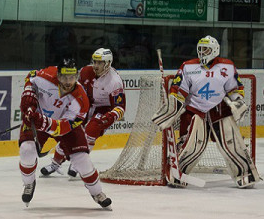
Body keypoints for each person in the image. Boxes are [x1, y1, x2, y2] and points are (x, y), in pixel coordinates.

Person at [152, 35, 261, 188]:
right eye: (200, 49)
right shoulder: (188, 66)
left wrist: (237, 101)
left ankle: (246, 174)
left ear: (215, 50)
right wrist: (172, 107)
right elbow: (179, 90)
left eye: (206, 49)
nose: (202, 53)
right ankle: (177, 174)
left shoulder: (227, 66)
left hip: (219, 110)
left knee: (233, 144)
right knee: (192, 146)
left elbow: (234, 88)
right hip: (195, 110)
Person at [19, 58, 112, 209]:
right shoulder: (46, 76)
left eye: (72, 77)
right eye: (64, 77)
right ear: (58, 75)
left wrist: (44, 122)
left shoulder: (81, 99)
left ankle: (97, 193)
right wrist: (29, 95)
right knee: (26, 149)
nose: (68, 81)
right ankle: (29, 183)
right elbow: (30, 76)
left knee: (82, 160)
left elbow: (65, 127)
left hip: (63, 125)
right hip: (38, 118)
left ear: (77, 77)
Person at [40, 48, 126, 178]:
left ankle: (78, 163)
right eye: (95, 62)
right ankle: (55, 163)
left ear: (107, 63)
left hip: (104, 109)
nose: (95, 66)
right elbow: (73, 87)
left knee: (91, 131)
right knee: (69, 131)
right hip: (86, 104)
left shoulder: (115, 81)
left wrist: (110, 116)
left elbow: (120, 107)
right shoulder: (85, 71)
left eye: (99, 63)